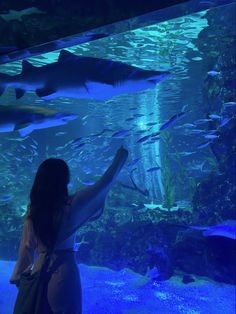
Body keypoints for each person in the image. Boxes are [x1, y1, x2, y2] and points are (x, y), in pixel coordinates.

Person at [9, 145, 128, 314]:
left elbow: (27, 244)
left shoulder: (33, 209)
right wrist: (122, 155)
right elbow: (105, 182)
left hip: (39, 269)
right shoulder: (71, 206)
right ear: (64, 180)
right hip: (63, 272)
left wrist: (18, 274)